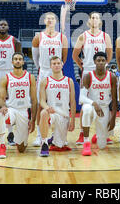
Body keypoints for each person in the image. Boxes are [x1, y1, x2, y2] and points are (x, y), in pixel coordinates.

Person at [72, 12, 113, 144]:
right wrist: (82, 65)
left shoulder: (105, 36)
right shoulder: (83, 36)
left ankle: (103, 133)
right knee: (85, 103)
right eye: (92, 18)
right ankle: (82, 133)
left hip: (101, 71)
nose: (94, 20)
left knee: (103, 99)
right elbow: (75, 55)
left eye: (97, 18)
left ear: (100, 21)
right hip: (88, 70)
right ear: (89, 21)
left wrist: (104, 65)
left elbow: (109, 54)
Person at [31, 12, 68, 146]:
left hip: (57, 72)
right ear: (44, 20)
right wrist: (42, 68)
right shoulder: (38, 37)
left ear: (56, 21)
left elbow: (64, 57)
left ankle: (56, 134)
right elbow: (35, 57)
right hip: (44, 72)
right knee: (42, 105)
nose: (50, 20)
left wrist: (56, 68)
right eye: (48, 18)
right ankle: (39, 135)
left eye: (53, 18)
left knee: (58, 102)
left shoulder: (62, 37)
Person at [0, 52, 37, 158]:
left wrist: (33, 120)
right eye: (15, 59)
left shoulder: (30, 77)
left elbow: (34, 99)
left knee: (22, 148)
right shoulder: (6, 78)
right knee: (1, 114)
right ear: (12, 62)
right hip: (12, 109)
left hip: (24, 111)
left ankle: (19, 133)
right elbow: (1, 98)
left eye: (20, 59)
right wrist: (3, 106)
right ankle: (2, 146)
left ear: (23, 61)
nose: (18, 61)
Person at [79, 52, 117, 156]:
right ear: (94, 62)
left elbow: (114, 99)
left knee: (102, 145)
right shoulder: (88, 76)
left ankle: (99, 135)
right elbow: (81, 98)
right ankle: (86, 142)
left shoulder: (112, 77)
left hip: (104, 108)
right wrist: (94, 103)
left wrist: (113, 118)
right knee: (86, 109)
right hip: (92, 107)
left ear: (106, 62)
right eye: (98, 60)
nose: (100, 62)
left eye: (103, 60)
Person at [38, 56, 76, 157]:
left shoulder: (69, 81)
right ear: (50, 66)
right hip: (52, 112)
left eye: (58, 63)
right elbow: (42, 100)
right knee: (43, 113)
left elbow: (72, 102)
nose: (56, 65)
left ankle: (54, 138)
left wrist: (73, 120)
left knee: (59, 145)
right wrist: (47, 107)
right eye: (54, 64)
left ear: (62, 65)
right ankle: (44, 143)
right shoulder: (45, 81)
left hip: (64, 115)